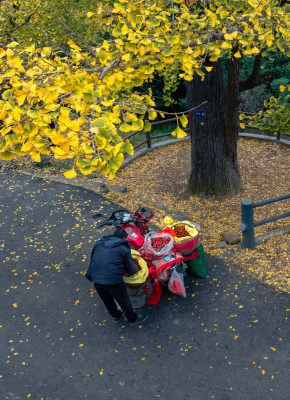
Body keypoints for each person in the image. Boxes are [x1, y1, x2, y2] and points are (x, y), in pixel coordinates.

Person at [85, 228, 148, 325]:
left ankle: (116, 316)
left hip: (95, 278)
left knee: (107, 300)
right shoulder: (123, 247)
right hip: (113, 281)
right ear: (124, 238)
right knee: (124, 301)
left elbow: (94, 259)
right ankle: (132, 319)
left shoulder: (98, 244)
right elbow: (131, 269)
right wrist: (133, 271)